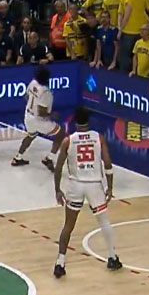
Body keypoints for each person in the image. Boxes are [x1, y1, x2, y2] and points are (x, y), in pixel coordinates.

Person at [52, 107, 122, 278]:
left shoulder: (68, 140)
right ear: (88, 121)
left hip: (75, 185)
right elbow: (108, 163)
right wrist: (110, 187)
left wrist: (57, 190)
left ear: (75, 121)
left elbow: (58, 167)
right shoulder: (98, 138)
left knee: (68, 225)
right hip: (94, 185)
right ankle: (112, 257)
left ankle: (60, 263)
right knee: (104, 222)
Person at [11, 66, 66, 172]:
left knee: (31, 135)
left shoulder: (33, 83)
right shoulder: (46, 92)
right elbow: (42, 113)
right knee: (60, 133)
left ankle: (17, 157)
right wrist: (53, 114)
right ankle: (49, 158)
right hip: (38, 120)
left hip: (28, 116)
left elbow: (26, 97)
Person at [118, 0, 149, 72]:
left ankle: (124, 75)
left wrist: (120, 30)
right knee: (137, 56)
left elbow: (125, 16)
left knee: (125, 57)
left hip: (128, 32)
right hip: (141, 32)